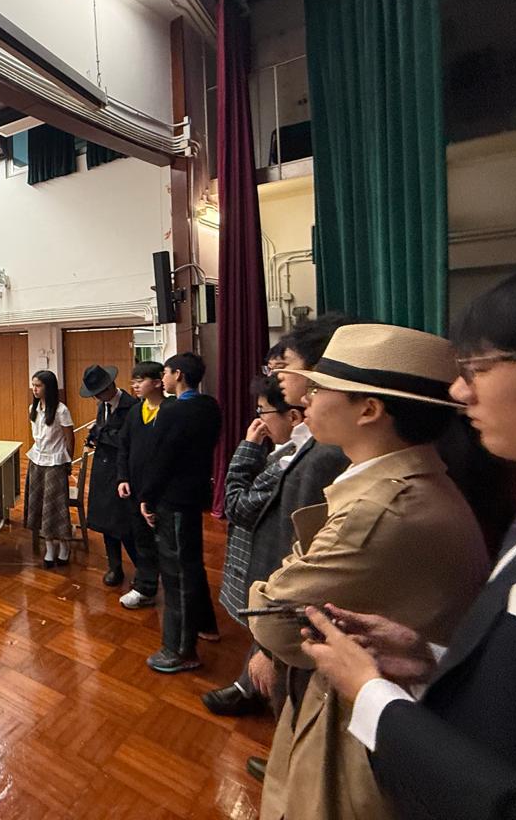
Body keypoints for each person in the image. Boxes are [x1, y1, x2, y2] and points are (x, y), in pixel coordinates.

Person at [299, 270, 516, 820]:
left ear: (369, 410)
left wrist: (372, 694)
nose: (460, 391)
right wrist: (431, 657)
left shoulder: (390, 502)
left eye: (478, 368)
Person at [249, 323, 490, 820]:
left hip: (359, 728)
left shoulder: (381, 507)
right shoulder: (398, 482)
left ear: (369, 410)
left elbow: (272, 619)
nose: (306, 399)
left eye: (321, 389)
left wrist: (273, 585)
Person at [236, 315, 353, 773]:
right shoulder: (315, 444)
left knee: (297, 701)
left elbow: (304, 553)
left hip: (296, 612)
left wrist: (267, 645)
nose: (278, 374)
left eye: (286, 364)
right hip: (287, 605)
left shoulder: (327, 452)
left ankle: (289, 773)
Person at [201, 374, 303, 719]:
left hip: (274, 563)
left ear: (294, 416)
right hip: (268, 557)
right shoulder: (287, 452)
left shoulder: (295, 461)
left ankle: (261, 695)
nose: (259, 421)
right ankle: (249, 685)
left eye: (263, 412)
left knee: (275, 635)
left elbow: (237, 506)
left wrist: (246, 447)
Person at [139, 352, 222, 673]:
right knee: (191, 564)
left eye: (166, 372)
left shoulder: (173, 411)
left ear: (179, 375)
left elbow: (160, 460)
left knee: (176, 574)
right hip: (195, 494)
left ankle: (180, 650)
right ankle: (206, 624)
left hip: (172, 499)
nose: (163, 378)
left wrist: (147, 497)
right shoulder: (210, 406)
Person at [81, 364, 139, 586]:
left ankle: (143, 571)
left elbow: (129, 440)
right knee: (106, 523)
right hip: (102, 472)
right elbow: (103, 430)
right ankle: (115, 568)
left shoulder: (132, 406)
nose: (96, 398)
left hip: (122, 472)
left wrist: (101, 435)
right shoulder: (102, 406)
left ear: (109, 387)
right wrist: (94, 435)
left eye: (98, 393)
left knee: (125, 525)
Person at [114, 360, 166, 610]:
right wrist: (122, 477)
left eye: (140, 380)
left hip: (162, 490)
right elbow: (123, 446)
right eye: (133, 381)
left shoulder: (170, 411)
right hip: (135, 488)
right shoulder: (135, 411)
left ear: (157, 382)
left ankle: (172, 586)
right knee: (142, 539)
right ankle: (145, 587)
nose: (134, 385)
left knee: (166, 541)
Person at [25, 370, 75, 568]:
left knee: (55, 505)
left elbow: (69, 438)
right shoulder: (33, 408)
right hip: (37, 460)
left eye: (38, 385)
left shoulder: (61, 410)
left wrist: (68, 462)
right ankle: (49, 547)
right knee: (39, 503)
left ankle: (64, 546)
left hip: (55, 462)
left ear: (49, 387)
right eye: (33, 385)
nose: (34, 389)